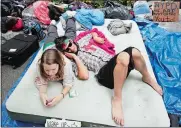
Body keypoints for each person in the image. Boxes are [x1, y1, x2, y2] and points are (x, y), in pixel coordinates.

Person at [55, 18, 163, 126]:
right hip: (103, 74)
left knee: (134, 51)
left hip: (112, 61)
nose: (71, 48)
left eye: (70, 44)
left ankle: (146, 77)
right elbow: (84, 75)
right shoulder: (72, 61)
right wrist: (74, 56)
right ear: (65, 53)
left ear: (71, 40)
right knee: (123, 58)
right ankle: (117, 99)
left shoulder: (81, 40)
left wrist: (95, 37)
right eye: (67, 50)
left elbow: (92, 32)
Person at [35, 24, 74, 107]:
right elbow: (42, 82)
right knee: (51, 33)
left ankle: (69, 19)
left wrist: (60, 97)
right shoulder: (39, 65)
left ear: (59, 65)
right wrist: (42, 94)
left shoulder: (66, 64)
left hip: (60, 46)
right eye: (47, 70)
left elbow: (68, 83)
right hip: (48, 46)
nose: (50, 73)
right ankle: (53, 24)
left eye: (53, 69)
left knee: (70, 34)